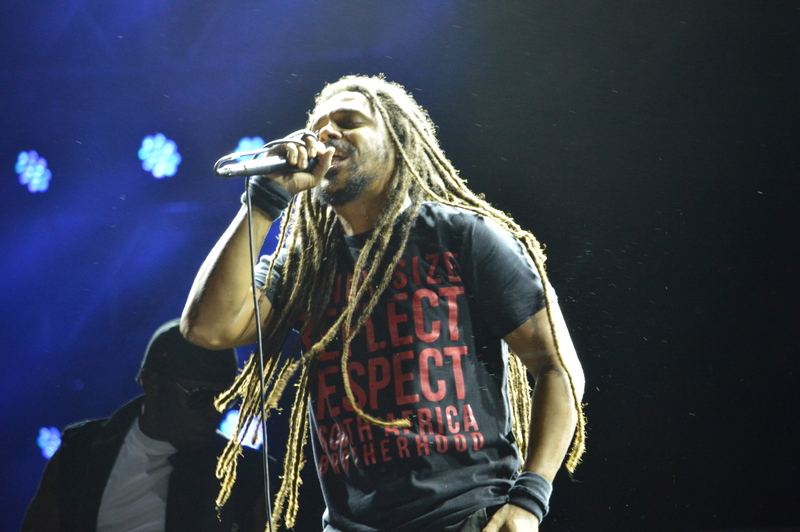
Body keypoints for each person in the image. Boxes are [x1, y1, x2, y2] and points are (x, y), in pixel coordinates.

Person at [181, 75, 586, 532]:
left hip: (466, 516)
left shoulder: (461, 237)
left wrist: (529, 501)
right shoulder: (305, 265)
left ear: (396, 141)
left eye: (349, 121)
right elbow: (207, 328)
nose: (326, 133)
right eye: (318, 126)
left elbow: (556, 366)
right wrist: (263, 200)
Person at [22, 319, 267, 532]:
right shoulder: (80, 451)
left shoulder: (247, 475)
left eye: (224, 400)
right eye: (199, 396)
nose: (214, 412)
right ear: (152, 382)